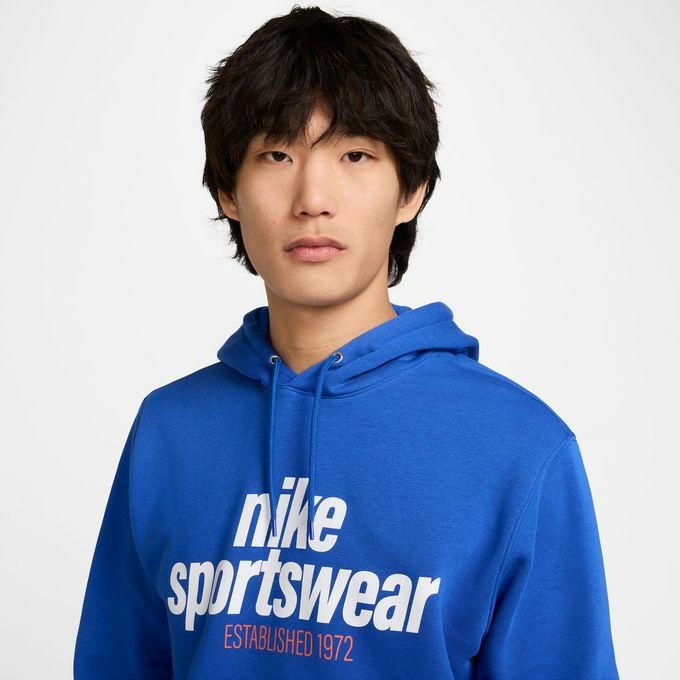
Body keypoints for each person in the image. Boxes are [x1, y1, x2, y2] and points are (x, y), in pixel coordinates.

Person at [73, 6, 620, 679]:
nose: (312, 199)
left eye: (355, 155)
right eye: (276, 155)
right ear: (228, 192)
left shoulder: (522, 449)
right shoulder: (168, 430)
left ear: (411, 190)